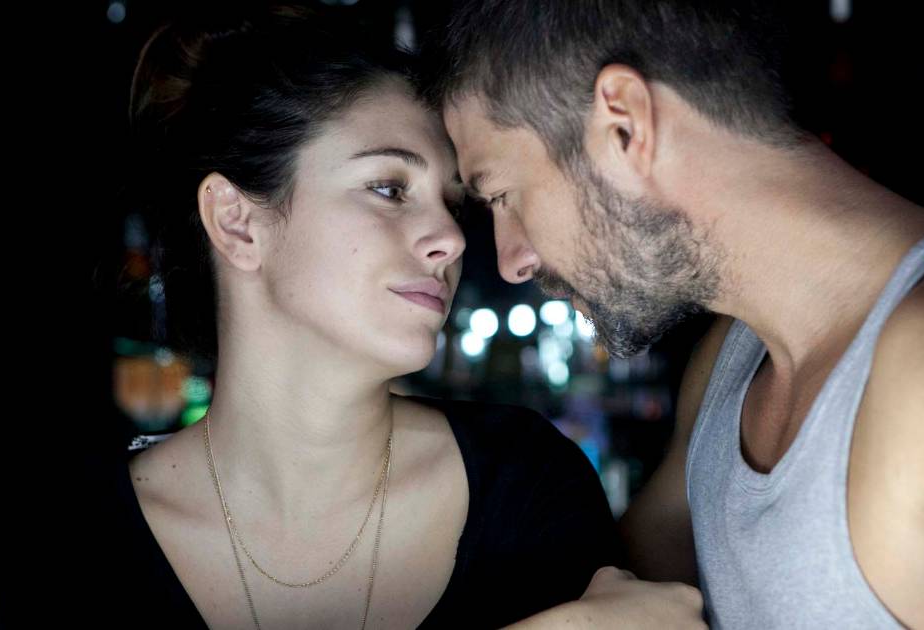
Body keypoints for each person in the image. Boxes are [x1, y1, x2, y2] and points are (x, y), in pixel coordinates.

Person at [429, 0, 924, 626]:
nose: (512, 259)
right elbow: (615, 591)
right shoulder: (734, 359)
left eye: (502, 196)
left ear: (624, 124)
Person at [120, 3, 637, 627]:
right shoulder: (87, 537)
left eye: (454, 204)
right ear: (237, 223)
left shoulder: (526, 482)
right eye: (390, 189)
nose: (452, 238)